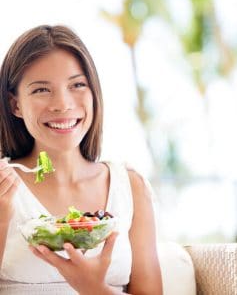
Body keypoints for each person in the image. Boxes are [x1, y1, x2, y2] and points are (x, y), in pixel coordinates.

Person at [0, 25, 162, 295]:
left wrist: (93, 288)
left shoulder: (130, 187)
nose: (62, 104)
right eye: (41, 90)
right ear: (15, 104)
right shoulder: (3, 187)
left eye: (77, 85)